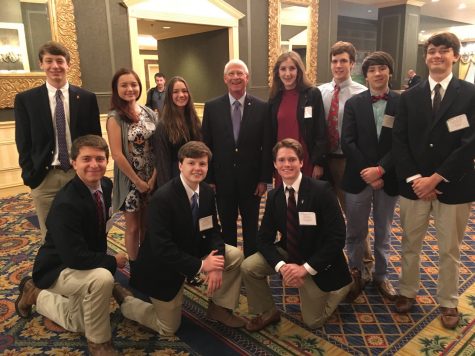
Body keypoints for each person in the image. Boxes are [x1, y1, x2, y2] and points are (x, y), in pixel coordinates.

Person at [114, 141, 245, 335]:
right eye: (192, 163)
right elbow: (162, 248)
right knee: (167, 328)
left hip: (190, 249)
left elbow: (213, 231)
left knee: (233, 256)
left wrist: (216, 264)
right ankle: (126, 300)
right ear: (180, 165)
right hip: (163, 266)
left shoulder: (207, 192)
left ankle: (219, 308)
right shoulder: (162, 198)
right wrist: (202, 266)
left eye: (202, 164)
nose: (197, 168)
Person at [15, 135, 128, 355]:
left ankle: (33, 294)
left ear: (107, 161)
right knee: (103, 278)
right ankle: (99, 342)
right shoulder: (66, 203)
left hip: (82, 261)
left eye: (100, 158)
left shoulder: (105, 184)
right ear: (74, 163)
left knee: (77, 323)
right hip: (58, 266)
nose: (94, 165)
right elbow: (75, 258)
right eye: (86, 159)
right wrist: (111, 261)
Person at [393, 32, 475, 329]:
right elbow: (399, 140)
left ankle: (449, 301)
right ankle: (407, 291)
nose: (437, 56)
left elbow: (470, 143)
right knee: (409, 243)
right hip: (414, 186)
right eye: (432, 51)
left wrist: (437, 178)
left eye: (444, 51)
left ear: (455, 55)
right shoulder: (410, 96)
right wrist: (418, 179)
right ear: (426, 56)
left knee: (449, 249)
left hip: (455, 185)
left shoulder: (469, 93)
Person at [241, 138, 352, 331]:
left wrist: (305, 269)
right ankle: (268, 311)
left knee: (313, 322)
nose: (286, 164)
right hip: (290, 252)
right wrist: (282, 267)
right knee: (249, 267)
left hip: (319, 261)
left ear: (301, 162)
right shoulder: (274, 196)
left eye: (292, 159)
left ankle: (346, 286)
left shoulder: (321, 190)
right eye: (281, 160)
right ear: (275, 164)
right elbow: (263, 239)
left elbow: (337, 237)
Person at [14, 41, 101, 238]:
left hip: (79, 173)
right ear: (41, 64)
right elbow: (23, 141)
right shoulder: (26, 100)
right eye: (49, 61)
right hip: (44, 177)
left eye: (60, 61)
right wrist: (29, 173)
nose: (55, 66)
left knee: (85, 226)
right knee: (50, 233)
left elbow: (95, 139)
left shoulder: (87, 98)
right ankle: (55, 269)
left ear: (68, 65)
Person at [341, 51, 400, 302]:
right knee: (355, 231)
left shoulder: (401, 103)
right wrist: (369, 171)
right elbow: (347, 142)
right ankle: (356, 274)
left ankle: (381, 276)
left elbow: (402, 142)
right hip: (358, 178)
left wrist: (382, 169)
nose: (378, 73)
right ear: (365, 75)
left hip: (389, 178)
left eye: (382, 68)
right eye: (372, 69)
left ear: (389, 72)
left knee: (384, 232)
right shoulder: (354, 104)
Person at [202, 59, 273, 257]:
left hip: (252, 182)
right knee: (227, 226)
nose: (236, 77)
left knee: (251, 226)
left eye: (240, 74)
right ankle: (231, 263)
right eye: (231, 74)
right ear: (225, 79)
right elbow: (206, 146)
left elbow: (267, 146)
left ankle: (250, 264)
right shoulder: (212, 107)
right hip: (222, 181)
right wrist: (209, 180)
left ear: (247, 78)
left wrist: (264, 179)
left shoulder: (262, 107)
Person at [318, 41, 374, 284]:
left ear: (353, 64)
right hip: (322, 162)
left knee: (355, 217)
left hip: (349, 163)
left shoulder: (363, 93)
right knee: (321, 215)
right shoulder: (320, 92)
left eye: (343, 61)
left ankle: (364, 265)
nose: (338, 65)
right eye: (334, 61)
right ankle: (326, 262)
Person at [106, 68, 157, 263]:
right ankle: (135, 266)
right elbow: (117, 154)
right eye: (124, 85)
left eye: (133, 84)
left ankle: (146, 262)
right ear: (116, 88)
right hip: (130, 181)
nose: (130, 89)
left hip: (151, 177)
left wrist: (152, 178)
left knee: (147, 224)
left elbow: (158, 146)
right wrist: (137, 181)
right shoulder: (115, 117)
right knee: (133, 226)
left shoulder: (148, 112)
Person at [269, 51, 327, 186]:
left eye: (292, 68)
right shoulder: (274, 98)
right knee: (284, 199)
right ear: (278, 72)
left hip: (305, 159)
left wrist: (318, 163)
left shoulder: (312, 94)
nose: (287, 74)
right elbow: (270, 134)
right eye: (283, 69)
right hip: (282, 161)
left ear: (299, 71)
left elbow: (320, 130)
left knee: (306, 200)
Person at [154, 76, 202, 187]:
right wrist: (166, 193)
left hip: (196, 178)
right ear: (169, 96)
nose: (181, 95)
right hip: (175, 181)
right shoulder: (163, 126)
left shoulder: (194, 120)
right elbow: (162, 164)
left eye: (184, 91)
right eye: (175, 92)